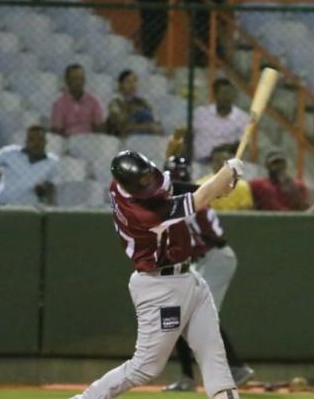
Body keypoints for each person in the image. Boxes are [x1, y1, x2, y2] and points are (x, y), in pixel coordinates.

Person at [70, 150, 244, 399]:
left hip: (189, 279)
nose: (147, 184)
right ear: (129, 186)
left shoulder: (127, 183)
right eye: (141, 183)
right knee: (145, 368)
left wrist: (218, 187)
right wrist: (226, 172)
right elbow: (198, 199)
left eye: (146, 178)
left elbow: (175, 187)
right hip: (161, 288)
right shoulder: (143, 214)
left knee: (212, 354)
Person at [161, 156, 254, 392]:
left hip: (215, 257)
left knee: (200, 315)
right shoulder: (182, 197)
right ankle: (189, 377)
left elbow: (213, 235)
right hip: (200, 261)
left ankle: (234, 367)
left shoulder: (191, 200)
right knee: (180, 314)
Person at [0, 125, 59, 206]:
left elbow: (51, 188)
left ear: (46, 141)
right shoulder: (11, 152)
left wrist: (44, 190)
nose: (36, 143)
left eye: (40, 139)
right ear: (26, 141)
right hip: (5, 205)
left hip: (33, 209)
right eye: (32, 139)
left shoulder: (52, 161)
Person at [193, 78, 250, 162]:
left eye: (229, 93)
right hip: (200, 161)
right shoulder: (201, 113)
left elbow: (242, 144)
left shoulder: (242, 117)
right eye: (223, 93)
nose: (227, 96)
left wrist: (224, 149)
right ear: (215, 94)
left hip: (227, 163)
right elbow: (188, 135)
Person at [51, 64, 105, 137]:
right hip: (68, 142)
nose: (78, 82)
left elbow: (99, 127)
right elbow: (56, 131)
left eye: (81, 79)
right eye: (75, 79)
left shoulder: (93, 102)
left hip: (90, 141)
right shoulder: (59, 104)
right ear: (67, 81)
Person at [196, 144, 254, 211]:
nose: (221, 164)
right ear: (211, 164)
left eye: (225, 161)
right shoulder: (200, 185)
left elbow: (246, 215)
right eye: (217, 161)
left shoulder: (242, 186)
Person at [106, 70, 163, 136]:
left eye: (134, 81)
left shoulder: (143, 102)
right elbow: (122, 127)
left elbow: (157, 126)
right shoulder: (115, 103)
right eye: (128, 81)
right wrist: (147, 127)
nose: (132, 85)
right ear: (120, 84)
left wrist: (151, 127)